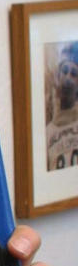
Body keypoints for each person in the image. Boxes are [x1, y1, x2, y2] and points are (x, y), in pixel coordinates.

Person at [46, 42, 78, 172]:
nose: (68, 77)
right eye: (64, 71)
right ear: (58, 78)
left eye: (74, 74)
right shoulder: (47, 132)